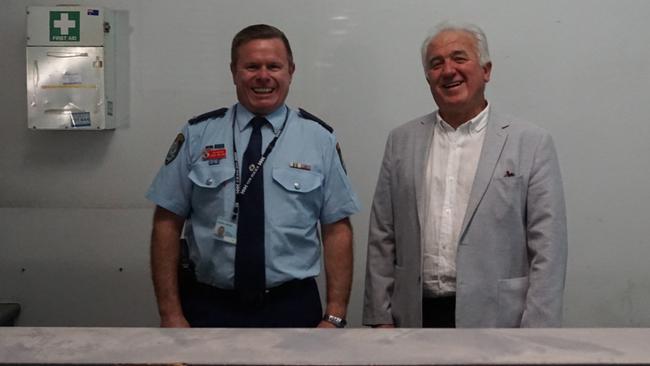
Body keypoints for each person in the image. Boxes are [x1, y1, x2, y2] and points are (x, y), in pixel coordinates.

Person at [147, 24, 360, 328]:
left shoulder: (319, 139)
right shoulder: (198, 134)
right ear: (234, 72)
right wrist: (170, 313)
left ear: (291, 71)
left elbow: (337, 229)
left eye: (274, 66)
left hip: (292, 307)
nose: (263, 76)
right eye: (251, 66)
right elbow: (166, 222)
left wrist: (335, 315)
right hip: (209, 307)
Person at [362, 21, 567, 328]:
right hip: (414, 317)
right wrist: (380, 318)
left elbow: (548, 247)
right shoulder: (401, 141)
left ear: (486, 70)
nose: (448, 70)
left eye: (459, 58)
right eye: (436, 64)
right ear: (428, 77)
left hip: (502, 321)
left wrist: (536, 331)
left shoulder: (531, 142)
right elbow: (382, 235)